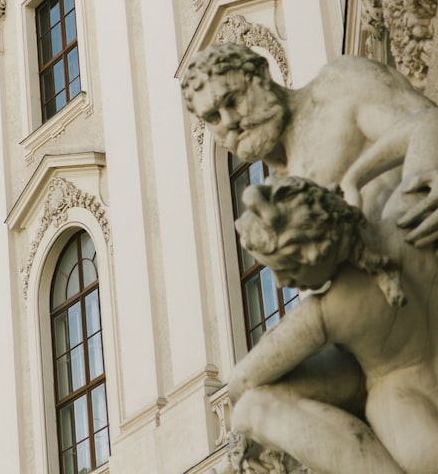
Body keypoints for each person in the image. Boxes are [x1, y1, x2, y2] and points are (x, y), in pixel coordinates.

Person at [228, 176, 438, 474]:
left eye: (286, 269)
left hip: (416, 428)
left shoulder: (328, 309)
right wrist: (354, 177)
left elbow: (243, 380)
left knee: (250, 409)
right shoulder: (407, 210)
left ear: (315, 251)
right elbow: (416, 132)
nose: (280, 282)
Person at [181, 43, 438, 242]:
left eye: (233, 100)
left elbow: (426, 125)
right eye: (213, 117)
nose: (230, 121)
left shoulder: (336, 87)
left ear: (261, 75)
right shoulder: (278, 191)